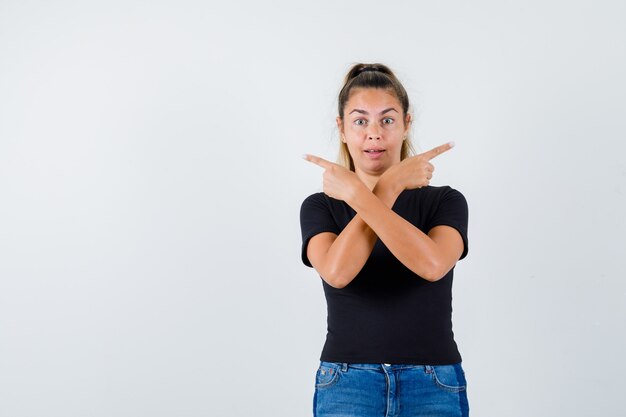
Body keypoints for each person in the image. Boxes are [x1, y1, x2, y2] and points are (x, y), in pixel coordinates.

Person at [300, 63, 470, 417]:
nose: (374, 134)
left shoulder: (444, 201)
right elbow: (337, 272)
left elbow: (434, 265)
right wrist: (387, 187)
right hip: (347, 383)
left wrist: (377, 190)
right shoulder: (320, 207)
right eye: (360, 121)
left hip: (433, 382)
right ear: (342, 129)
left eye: (387, 120)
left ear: (406, 125)